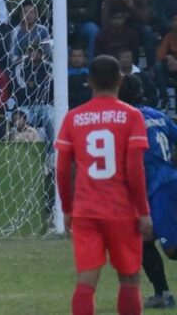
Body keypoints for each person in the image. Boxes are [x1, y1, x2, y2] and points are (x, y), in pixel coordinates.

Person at [54, 55, 152, 315]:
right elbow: (134, 169)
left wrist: (67, 207)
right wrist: (142, 211)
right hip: (122, 211)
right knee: (129, 278)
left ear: (89, 81)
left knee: (86, 281)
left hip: (86, 210)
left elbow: (63, 169)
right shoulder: (132, 116)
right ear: (121, 79)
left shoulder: (73, 118)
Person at [119, 76, 177, 309]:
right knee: (142, 238)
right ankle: (162, 293)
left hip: (159, 188)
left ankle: (163, 293)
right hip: (169, 182)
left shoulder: (126, 119)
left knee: (172, 250)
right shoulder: (158, 115)